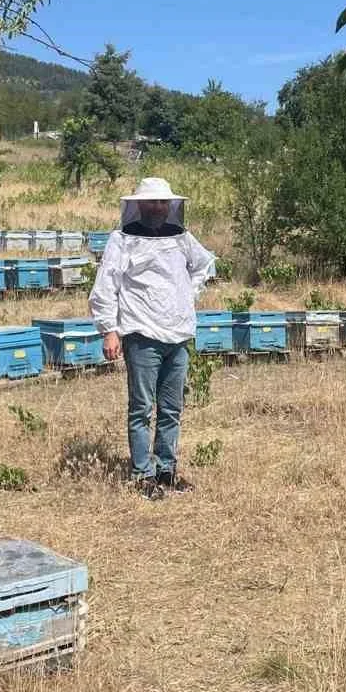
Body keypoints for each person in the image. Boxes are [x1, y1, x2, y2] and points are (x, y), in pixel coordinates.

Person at [89, 177, 216, 499]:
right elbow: (106, 286)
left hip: (178, 334)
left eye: (163, 202)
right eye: (152, 202)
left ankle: (166, 470)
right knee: (142, 408)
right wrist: (109, 330)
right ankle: (142, 474)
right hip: (141, 333)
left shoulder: (181, 237)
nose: (158, 207)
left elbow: (205, 264)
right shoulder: (122, 240)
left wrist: (190, 292)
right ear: (139, 205)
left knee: (172, 408)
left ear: (170, 206)